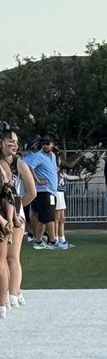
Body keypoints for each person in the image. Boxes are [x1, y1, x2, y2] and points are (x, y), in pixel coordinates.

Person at [0, 126, 36, 311]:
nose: (14, 144)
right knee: (2, 257)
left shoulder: (20, 164)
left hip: (15, 213)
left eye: (16, 142)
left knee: (13, 256)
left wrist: (17, 208)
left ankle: (14, 293)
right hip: (1, 212)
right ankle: (5, 294)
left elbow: (32, 192)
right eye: (10, 141)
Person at [23, 136, 60, 248]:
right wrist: (38, 180)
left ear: (52, 144)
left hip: (52, 191)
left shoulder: (53, 156)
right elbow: (29, 168)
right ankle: (51, 241)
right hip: (44, 191)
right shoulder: (38, 156)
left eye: (47, 143)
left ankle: (40, 240)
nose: (45, 145)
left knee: (46, 217)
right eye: (43, 143)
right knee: (47, 217)